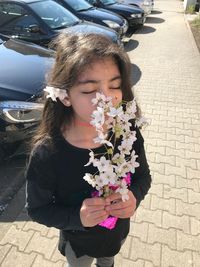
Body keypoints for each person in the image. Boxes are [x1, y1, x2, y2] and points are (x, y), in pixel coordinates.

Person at [25, 33, 151, 267]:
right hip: (78, 244)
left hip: (116, 234)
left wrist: (134, 196)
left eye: (115, 85)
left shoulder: (127, 131)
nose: (107, 99)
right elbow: (38, 209)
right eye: (89, 90)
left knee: (108, 260)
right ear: (64, 96)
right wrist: (77, 217)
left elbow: (143, 176)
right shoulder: (48, 153)